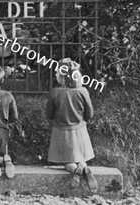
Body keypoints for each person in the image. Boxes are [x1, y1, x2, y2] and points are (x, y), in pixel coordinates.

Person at [46, 58, 98, 192]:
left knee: (67, 161)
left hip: (61, 131)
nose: (55, 75)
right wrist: (82, 121)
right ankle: (84, 169)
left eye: (57, 73)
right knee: (80, 157)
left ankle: (76, 170)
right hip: (79, 130)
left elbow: (49, 114)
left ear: (61, 76)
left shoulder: (55, 92)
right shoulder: (82, 91)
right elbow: (89, 113)